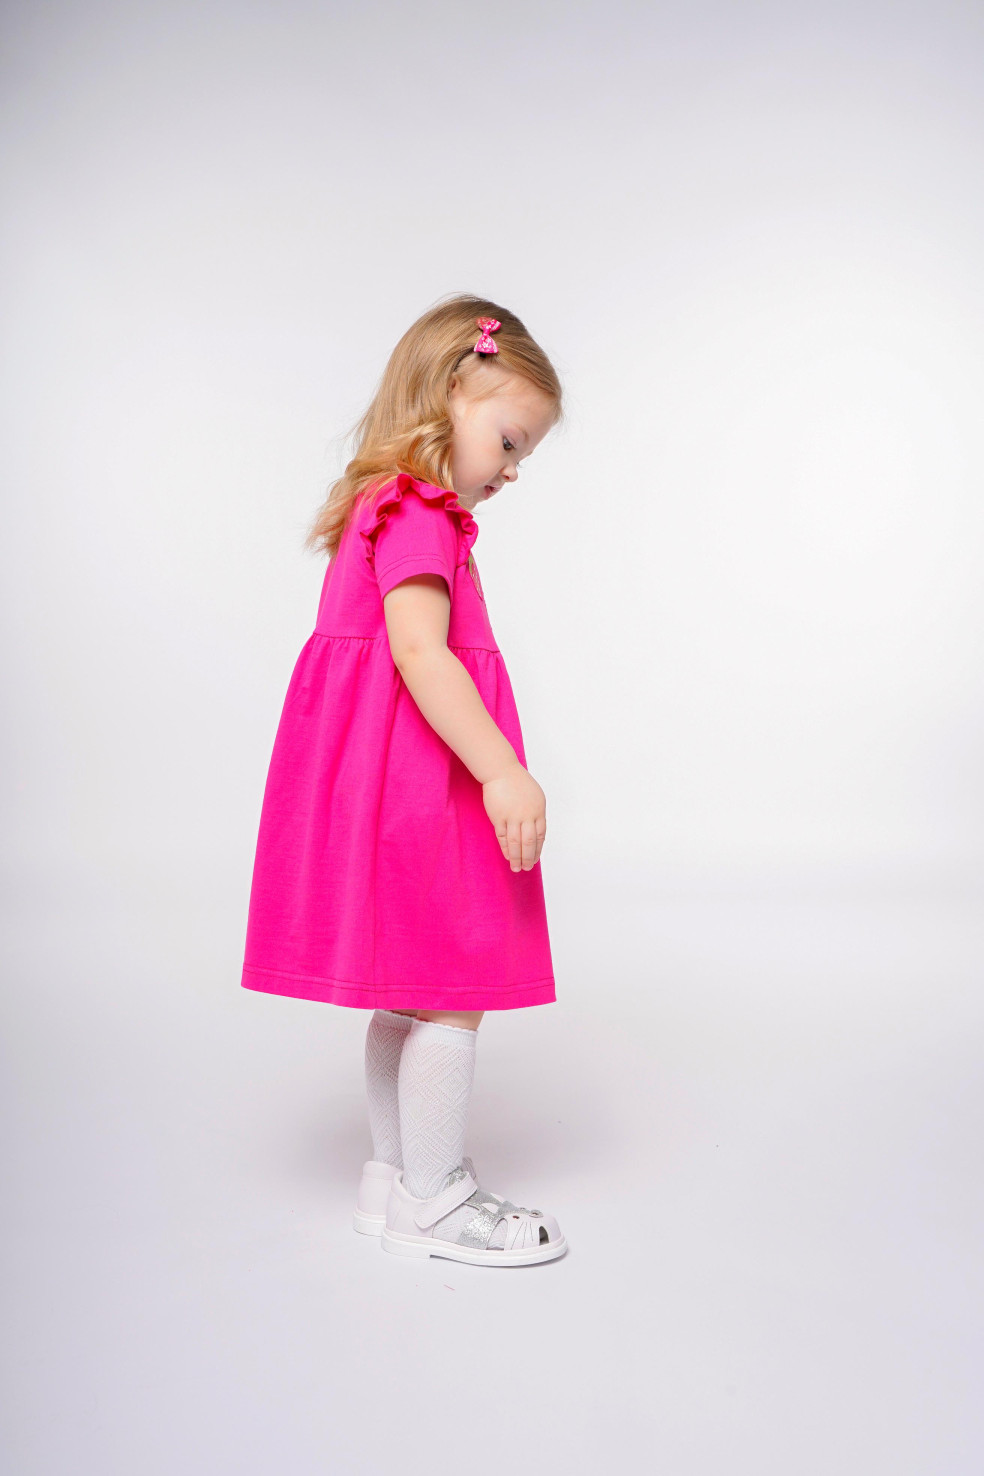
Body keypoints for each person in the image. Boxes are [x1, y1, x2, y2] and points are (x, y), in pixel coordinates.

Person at [240, 294, 568, 1266]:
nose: (511, 471)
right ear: (450, 393)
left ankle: (391, 1179)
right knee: (455, 987)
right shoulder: (421, 511)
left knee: (411, 989)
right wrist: (502, 771)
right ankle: (437, 1195)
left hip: (384, 782)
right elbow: (422, 655)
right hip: (421, 783)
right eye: (508, 442)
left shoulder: (384, 504)